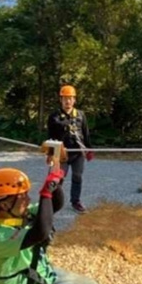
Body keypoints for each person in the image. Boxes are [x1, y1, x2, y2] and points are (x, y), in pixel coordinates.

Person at [47, 85, 93, 213]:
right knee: (57, 179)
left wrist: (89, 149)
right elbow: (50, 135)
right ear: (61, 100)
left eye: (70, 98)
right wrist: (50, 154)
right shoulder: (54, 116)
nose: (68, 101)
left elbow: (85, 133)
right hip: (61, 153)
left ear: (74, 100)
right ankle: (52, 203)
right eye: (65, 98)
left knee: (77, 177)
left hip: (77, 153)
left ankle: (76, 201)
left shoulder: (80, 115)